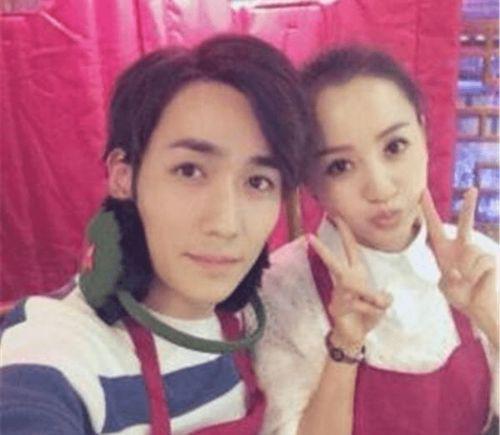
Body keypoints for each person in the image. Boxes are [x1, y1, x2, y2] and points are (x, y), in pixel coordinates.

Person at [0, 34, 310, 434]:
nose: (225, 224)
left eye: (258, 181)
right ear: (123, 176)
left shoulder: (259, 321)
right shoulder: (57, 345)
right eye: (189, 171)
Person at [255, 46, 499, 435]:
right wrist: (345, 343)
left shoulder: (480, 260)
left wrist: (489, 316)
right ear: (309, 181)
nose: (380, 188)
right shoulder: (283, 289)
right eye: (340, 166)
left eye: (394, 147)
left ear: (423, 134)